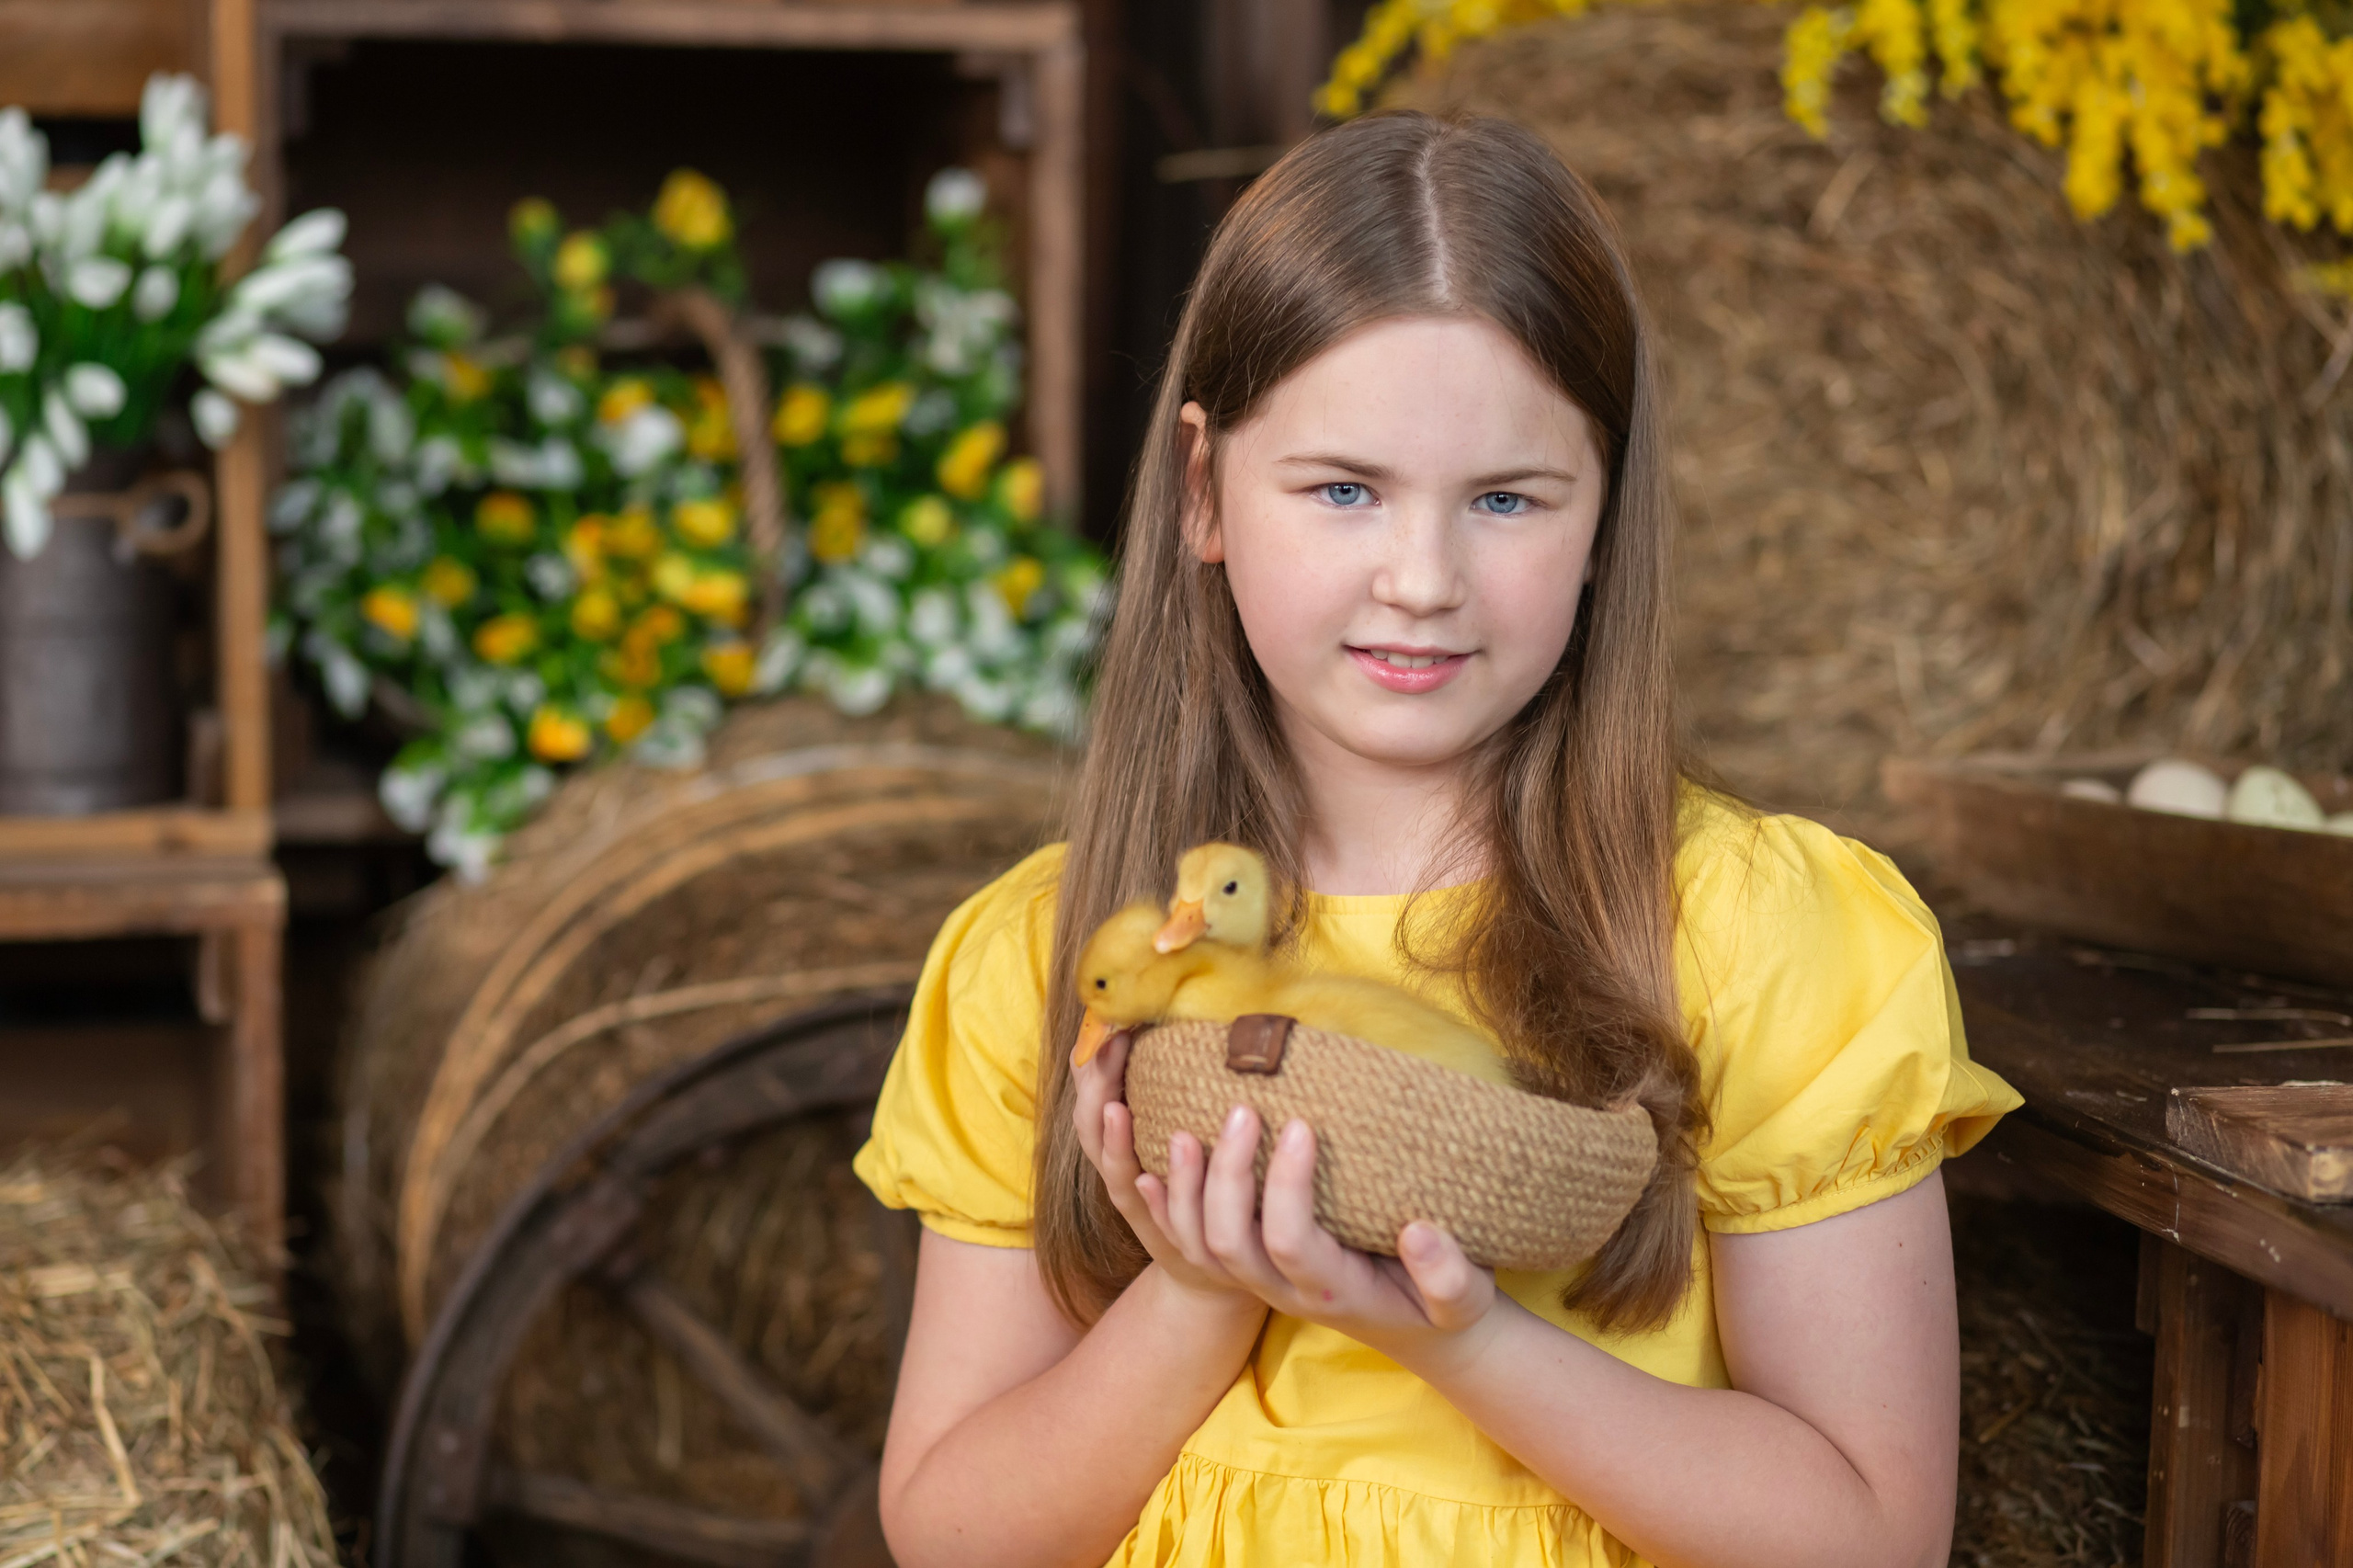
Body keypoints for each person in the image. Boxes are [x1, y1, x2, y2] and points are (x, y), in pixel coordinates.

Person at [852, 108, 2021, 1568]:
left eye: (1507, 499)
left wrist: (1459, 1338)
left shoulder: (1763, 934)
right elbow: (956, 1534)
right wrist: (1204, 1288)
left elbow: (1867, 1538)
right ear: (1205, 488)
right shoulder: (1056, 953)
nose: (1422, 577)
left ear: (1604, 520)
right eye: (1344, 489)